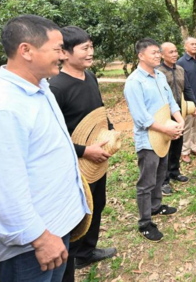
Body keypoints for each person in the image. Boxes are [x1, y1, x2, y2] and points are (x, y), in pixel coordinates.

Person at [0, 15, 89, 281]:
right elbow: (2, 191)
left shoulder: (41, 88)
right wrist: (39, 239)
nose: (62, 55)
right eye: (57, 49)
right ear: (26, 50)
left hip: (55, 229)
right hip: (30, 246)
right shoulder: (0, 108)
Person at [49, 26, 117, 279]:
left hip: (98, 156)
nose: (91, 52)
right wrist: (84, 150)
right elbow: (55, 136)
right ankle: (73, 256)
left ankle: (87, 252)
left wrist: (109, 131)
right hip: (75, 162)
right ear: (65, 53)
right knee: (78, 212)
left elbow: (99, 111)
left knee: (97, 204)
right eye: (84, 48)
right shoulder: (57, 88)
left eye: (91, 46)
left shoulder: (90, 78)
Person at [124, 38, 184, 242]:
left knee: (160, 175)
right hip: (148, 139)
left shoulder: (159, 76)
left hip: (164, 136)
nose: (158, 55)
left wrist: (180, 120)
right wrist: (167, 128)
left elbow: (170, 102)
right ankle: (145, 222)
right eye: (153, 52)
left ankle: (156, 206)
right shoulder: (134, 82)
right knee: (146, 182)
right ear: (141, 56)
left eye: (159, 52)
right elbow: (141, 118)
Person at [157, 42, 196, 195]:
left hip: (179, 112)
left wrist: (193, 104)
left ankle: (174, 171)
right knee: (166, 145)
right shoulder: (158, 71)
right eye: (171, 52)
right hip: (163, 114)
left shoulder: (180, 69)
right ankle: (164, 180)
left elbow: (186, 88)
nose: (175, 54)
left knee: (178, 142)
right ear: (162, 55)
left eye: (175, 51)